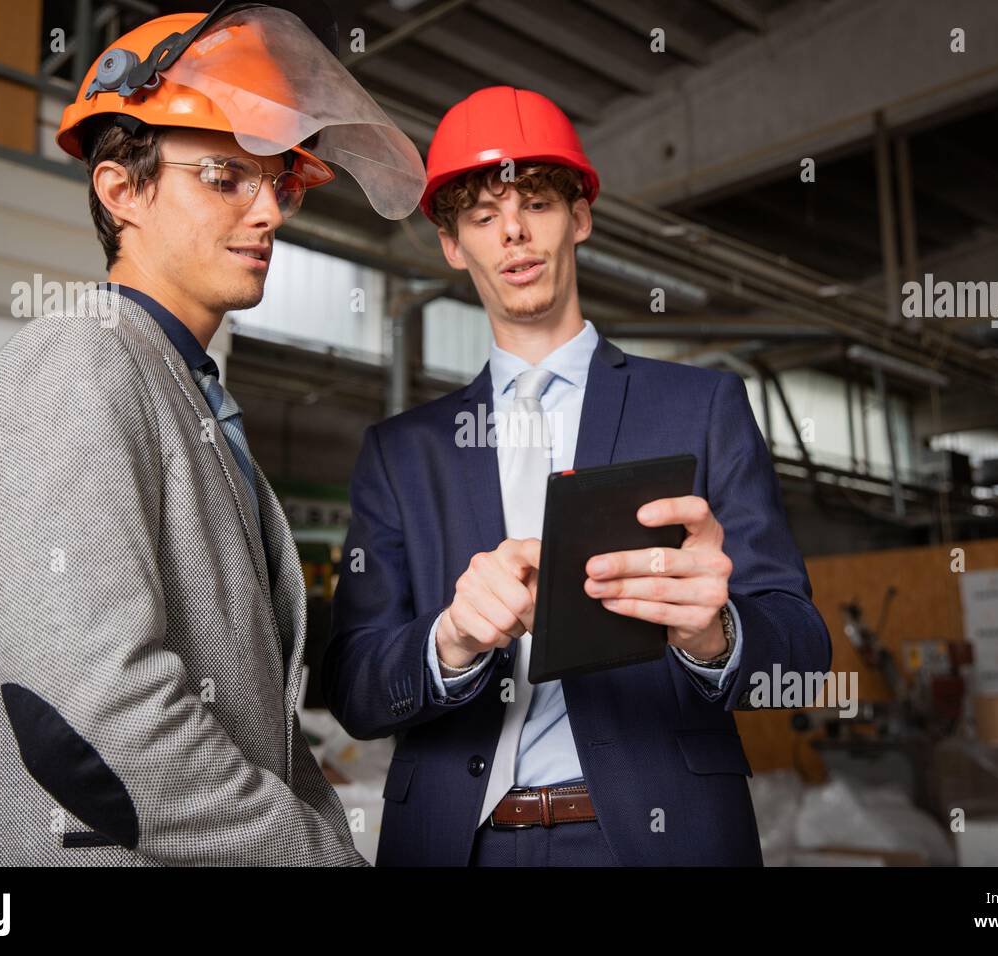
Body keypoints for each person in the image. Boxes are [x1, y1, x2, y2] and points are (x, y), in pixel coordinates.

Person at [0, 2, 424, 866]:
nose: (270, 213)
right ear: (121, 189)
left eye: (276, 182)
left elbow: (247, 716)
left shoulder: (184, 390)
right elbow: (93, 718)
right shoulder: (78, 363)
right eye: (223, 177)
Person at [325, 86, 832, 866]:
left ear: (581, 218)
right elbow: (357, 687)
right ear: (453, 246)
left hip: (657, 840)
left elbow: (799, 654)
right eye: (484, 217)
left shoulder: (701, 407)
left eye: (536, 203)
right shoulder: (402, 453)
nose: (515, 234)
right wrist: (450, 641)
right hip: (458, 844)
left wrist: (715, 633)